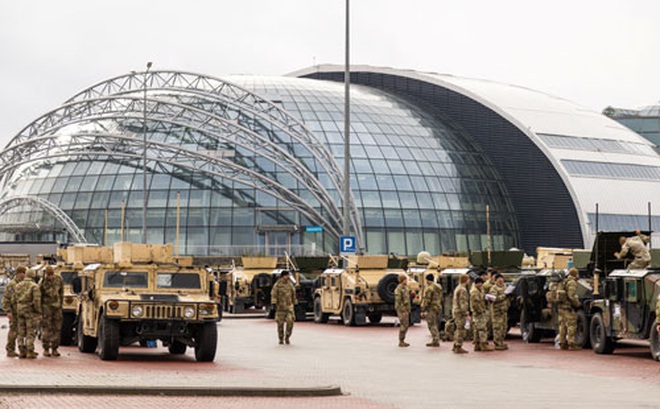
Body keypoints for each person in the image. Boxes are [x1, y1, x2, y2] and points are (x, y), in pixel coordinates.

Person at [15, 268, 42, 359]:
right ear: (33, 276)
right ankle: (30, 351)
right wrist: (38, 311)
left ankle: (21, 351)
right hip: (30, 311)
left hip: (20, 309)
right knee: (30, 331)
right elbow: (36, 300)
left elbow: (16, 298)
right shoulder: (34, 286)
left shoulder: (18, 285)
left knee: (21, 331)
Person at [553, 267, 582, 350]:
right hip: (568, 307)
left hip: (561, 307)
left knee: (562, 326)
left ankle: (562, 343)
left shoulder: (564, 281)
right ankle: (571, 343)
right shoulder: (572, 282)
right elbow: (571, 296)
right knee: (571, 325)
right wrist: (577, 304)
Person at [39, 265, 64, 357]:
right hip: (46, 308)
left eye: (51, 274)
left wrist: (61, 305)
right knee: (46, 328)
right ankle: (46, 348)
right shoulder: (42, 283)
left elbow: (61, 293)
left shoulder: (59, 280)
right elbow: (39, 297)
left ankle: (55, 348)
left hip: (57, 308)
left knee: (57, 328)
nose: (50, 277)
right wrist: (40, 311)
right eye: (48, 275)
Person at [2, 266, 26, 357]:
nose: (24, 275)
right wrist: (8, 311)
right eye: (22, 273)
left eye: (24, 273)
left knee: (23, 332)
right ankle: (10, 349)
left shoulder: (24, 283)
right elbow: (6, 299)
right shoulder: (12, 284)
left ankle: (22, 350)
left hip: (23, 311)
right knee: (13, 331)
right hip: (15, 312)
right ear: (18, 273)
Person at [270, 270, 297, 345]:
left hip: (289, 307)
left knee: (290, 322)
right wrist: (274, 303)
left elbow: (293, 294)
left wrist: (295, 302)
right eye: (287, 275)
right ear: (283, 276)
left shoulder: (290, 284)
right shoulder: (278, 284)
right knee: (280, 324)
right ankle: (281, 338)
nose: (288, 277)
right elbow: (274, 294)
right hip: (280, 307)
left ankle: (287, 337)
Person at [470, 277, 494, 352]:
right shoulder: (475, 292)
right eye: (480, 283)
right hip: (479, 313)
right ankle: (483, 344)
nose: (481, 285)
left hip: (478, 312)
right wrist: (481, 311)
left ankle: (477, 344)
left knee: (477, 329)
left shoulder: (479, 290)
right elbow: (475, 304)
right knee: (482, 328)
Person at [420, 273, 442, 347]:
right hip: (438, 307)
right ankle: (436, 338)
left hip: (431, 308)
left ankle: (435, 340)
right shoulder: (438, 286)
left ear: (427, 280)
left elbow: (427, 300)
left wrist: (423, 309)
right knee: (435, 323)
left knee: (431, 324)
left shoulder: (429, 288)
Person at [489, 273, 509, 351]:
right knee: (497, 327)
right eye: (499, 279)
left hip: (504, 310)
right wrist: (504, 296)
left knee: (504, 327)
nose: (501, 280)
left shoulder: (505, 287)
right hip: (497, 311)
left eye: (502, 279)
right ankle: (497, 342)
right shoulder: (494, 288)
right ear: (496, 280)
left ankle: (501, 341)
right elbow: (494, 299)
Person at [451, 274, 470, 354]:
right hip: (460, 312)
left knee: (457, 329)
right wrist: (466, 313)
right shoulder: (463, 290)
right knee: (460, 330)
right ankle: (458, 346)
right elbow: (463, 303)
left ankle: (455, 344)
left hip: (456, 311)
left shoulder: (458, 288)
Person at [394, 274, 412, 347]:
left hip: (406, 309)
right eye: (405, 280)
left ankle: (403, 340)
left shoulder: (405, 288)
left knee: (406, 325)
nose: (406, 281)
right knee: (404, 325)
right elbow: (399, 301)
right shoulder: (399, 289)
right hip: (402, 309)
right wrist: (403, 311)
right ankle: (401, 340)